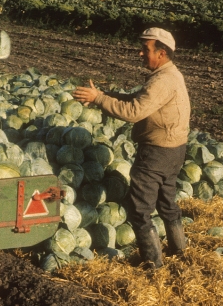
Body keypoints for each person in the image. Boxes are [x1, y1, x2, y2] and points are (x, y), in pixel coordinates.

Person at [73, 28, 191, 269]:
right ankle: (181, 252)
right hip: (175, 150)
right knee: (167, 203)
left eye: (145, 49)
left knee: (140, 210)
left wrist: (98, 99)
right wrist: (104, 96)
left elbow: (133, 112)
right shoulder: (171, 75)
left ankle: (154, 265)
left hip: (157, 153)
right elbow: (137, 99)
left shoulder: (162, 81)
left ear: (161, 52)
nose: (140, 53)